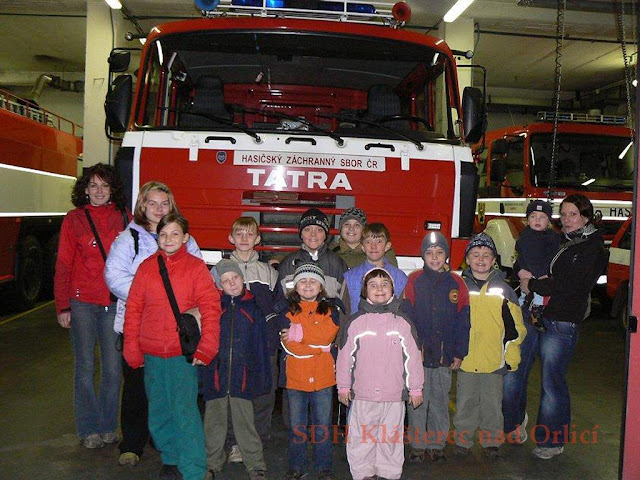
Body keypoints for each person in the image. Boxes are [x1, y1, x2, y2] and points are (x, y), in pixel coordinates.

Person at [105, 181, 201, 466]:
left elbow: (197, 279)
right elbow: (113, 276)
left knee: (174, 393)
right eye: (152, 203)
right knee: (137, 388)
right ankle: (132, 444)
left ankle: (167, 445)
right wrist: (150, 296)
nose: (159, 209)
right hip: (137, 326)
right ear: (142, 206)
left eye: (164, 203)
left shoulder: (187, 239)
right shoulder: (129, 239)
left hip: (176, 332)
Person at [505, 194, 607, 460]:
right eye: (563, 214)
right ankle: (513, 423)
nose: (567, 219)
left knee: (551, 382)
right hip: (533, 313)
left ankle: (551, 441)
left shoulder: (593, 248)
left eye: (573, 214)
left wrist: (533, 284)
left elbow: (571, 285)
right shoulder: (559, 240)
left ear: (586, 216)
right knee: (515, 371)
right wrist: (521, 271)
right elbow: (526, 256)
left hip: (562, 321)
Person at [123, 213, 221, 480]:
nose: (168, 239)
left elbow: (211, 308)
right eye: (163, 234)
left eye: (175, 233)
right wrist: (131, 347)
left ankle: (193, 470)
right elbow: (133, 309)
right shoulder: (146, 268)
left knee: (185, 412)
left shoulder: (196, 268)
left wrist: (207, 346)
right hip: (152, 353)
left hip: (181, 355)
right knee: (158, 413)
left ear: (186, 237)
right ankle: (171, 458)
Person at [54, 163, 130, 449]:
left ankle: (108, 425)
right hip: (82, 303)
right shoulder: (74, 219)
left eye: (105, 186)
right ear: (85, 190)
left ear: (113, 190)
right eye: (93, 186)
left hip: (113, 302)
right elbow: (63, 264)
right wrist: (63, 306)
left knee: (113, 368)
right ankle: (88, 429)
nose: (99, 191)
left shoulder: (124, 217)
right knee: (85, 366)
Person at [336, 268, 424, 480]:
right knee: (361, 438)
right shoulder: (355, 322)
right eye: (373, 285)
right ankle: (363, 473)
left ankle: (388, 473)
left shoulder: (402, 323)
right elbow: (345, 357)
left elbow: (413, 358)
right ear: (364, 291)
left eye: (385, 285)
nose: (379, 289)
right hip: (363, 395)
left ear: (393, 290)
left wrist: (415, 389)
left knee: (390, 438)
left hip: (393, 395)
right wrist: (343, 387)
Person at [453, 233, 526, 459]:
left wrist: (511, 356)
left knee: (492, 404)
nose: (481, 259)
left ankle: (492, 440)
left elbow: (515, 329)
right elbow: (451, 322)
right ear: (467, 259)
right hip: (466, 359)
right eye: (475, 254)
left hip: (494, 360)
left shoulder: (504, 291)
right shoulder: (459, 288)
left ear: (494, 260)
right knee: (465, 402)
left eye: (486, 255)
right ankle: (462, 440)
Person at [221, 216, 285, 463]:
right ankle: (234, 442)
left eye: (250, 234)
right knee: (234, 393)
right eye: (239, 233)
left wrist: (276, 330)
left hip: (264, 344)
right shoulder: (221, 270)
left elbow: (280, 305)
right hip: (233, 343)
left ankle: (256, 442)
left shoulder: (269, 272)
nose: (244, 238)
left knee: (263, 395)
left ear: (258, 239)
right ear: (231, 238)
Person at [404, 232, 471, 463]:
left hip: (444, 355)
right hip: (419, 355)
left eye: (440, 252)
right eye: (429, 253)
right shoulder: (414, 280)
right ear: (423, 256)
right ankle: (417, 444)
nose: (435, 257)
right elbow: (407, 317)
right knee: (417, 400)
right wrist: (411, 349)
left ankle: (436, 443)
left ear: (446, 255)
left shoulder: (457, 283)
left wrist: (459, 352)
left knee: (440, 399)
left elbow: (464, 321)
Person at [202, 260, 270, 480]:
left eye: (235, 278)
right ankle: (211, 463)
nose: (232, 283)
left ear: (242, 278)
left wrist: (261, 376)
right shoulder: (213, 307)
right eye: (225, 281)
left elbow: (261, 346)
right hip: (217, 376)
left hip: (243, 377)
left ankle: (255, 465)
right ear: (219, 285)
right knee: (213, 424)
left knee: (245, 423)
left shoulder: (253, 308)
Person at [279, 263, 339, 480]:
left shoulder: (330, 310)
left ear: (321, 286)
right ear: (295, 286)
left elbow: (328, 336)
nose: (307, 285)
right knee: (297, 426)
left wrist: (301, 334)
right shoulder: (287, 310)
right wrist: (319, 348)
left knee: (322, 426)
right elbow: (290, 345)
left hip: (323, 378)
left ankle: (324, 468)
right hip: (296, 378)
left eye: (313, 281)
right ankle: (297, 466)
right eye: (302, 281)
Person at [277, 208, 348, 303]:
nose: (313, 234)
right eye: (307, 229)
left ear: (325, 235)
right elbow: (279, 300)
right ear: (301, 234)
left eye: (319, 230)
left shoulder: (338, 264)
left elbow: (346, 302)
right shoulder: (287, 264)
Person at [514, 200, 562, 332]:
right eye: (533, 216)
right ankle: (533, 312)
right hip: (532, 273)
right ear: (527, 220)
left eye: (542, 217)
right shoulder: (526, 237)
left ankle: (533, 311)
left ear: (549, 222)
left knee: (540, 295)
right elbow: (528, 257)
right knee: (532, 295)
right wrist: (539, 274)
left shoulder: (553, 237)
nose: (537, 220)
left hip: (544, 274)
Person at [343, 223, 407, 315]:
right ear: (362, 247)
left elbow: (403, 311)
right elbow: (344, 313)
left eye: (379, 241)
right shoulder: (350, 277)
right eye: (368, 242)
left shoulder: (400, 277)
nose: (373, 246)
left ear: (387, 246)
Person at [331, 207, 397, 267]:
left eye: (357, 225)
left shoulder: (382, 251)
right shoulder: (331, 251)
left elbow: (393, 274)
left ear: (364, 229)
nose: (351, 228)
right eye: (347, 224)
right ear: (340, 229)